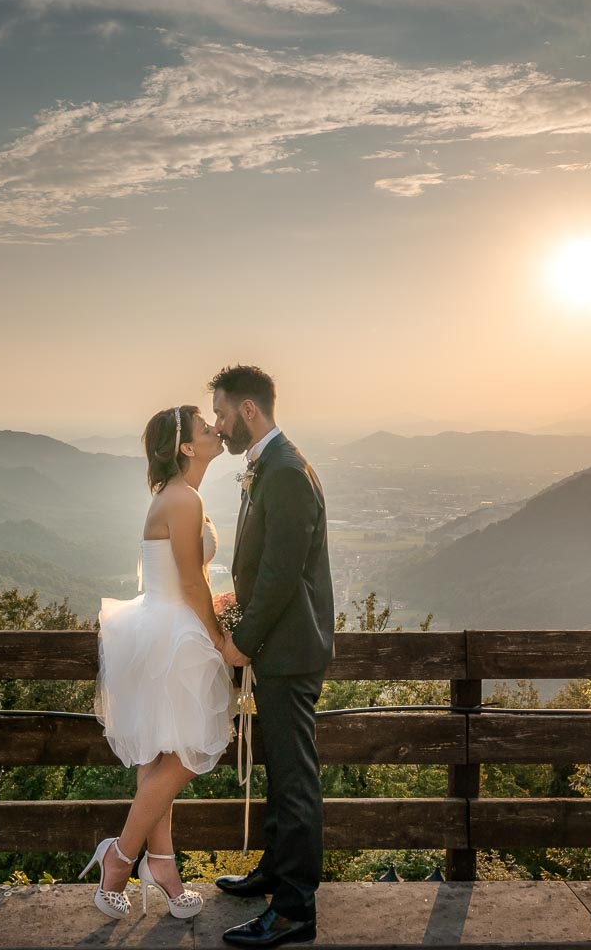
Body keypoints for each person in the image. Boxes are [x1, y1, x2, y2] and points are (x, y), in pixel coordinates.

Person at [81, 404, 237, 921]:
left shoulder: (177, 496)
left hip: (166, 627)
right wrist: (220, 639)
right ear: (187, 447)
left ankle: (163, 864)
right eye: (204, 426)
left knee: (161, 755)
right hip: (175, 632)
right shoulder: (183, 498)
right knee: (190, 752)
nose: (216, 429)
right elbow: (192, 582)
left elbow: (185, 579)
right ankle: (121, 858)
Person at [209, 364, 333, 948]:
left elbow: (285, 575)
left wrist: (242, 640)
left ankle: (294, 910)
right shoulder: (272, 467)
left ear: (249, 411)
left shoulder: (283, 473)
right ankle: (271, 873)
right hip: (280, 647)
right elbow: (270, 565)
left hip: (287, 651)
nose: (218, 424)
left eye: (223, 413)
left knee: (294, 779)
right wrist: (242, 595)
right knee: (278, 771)